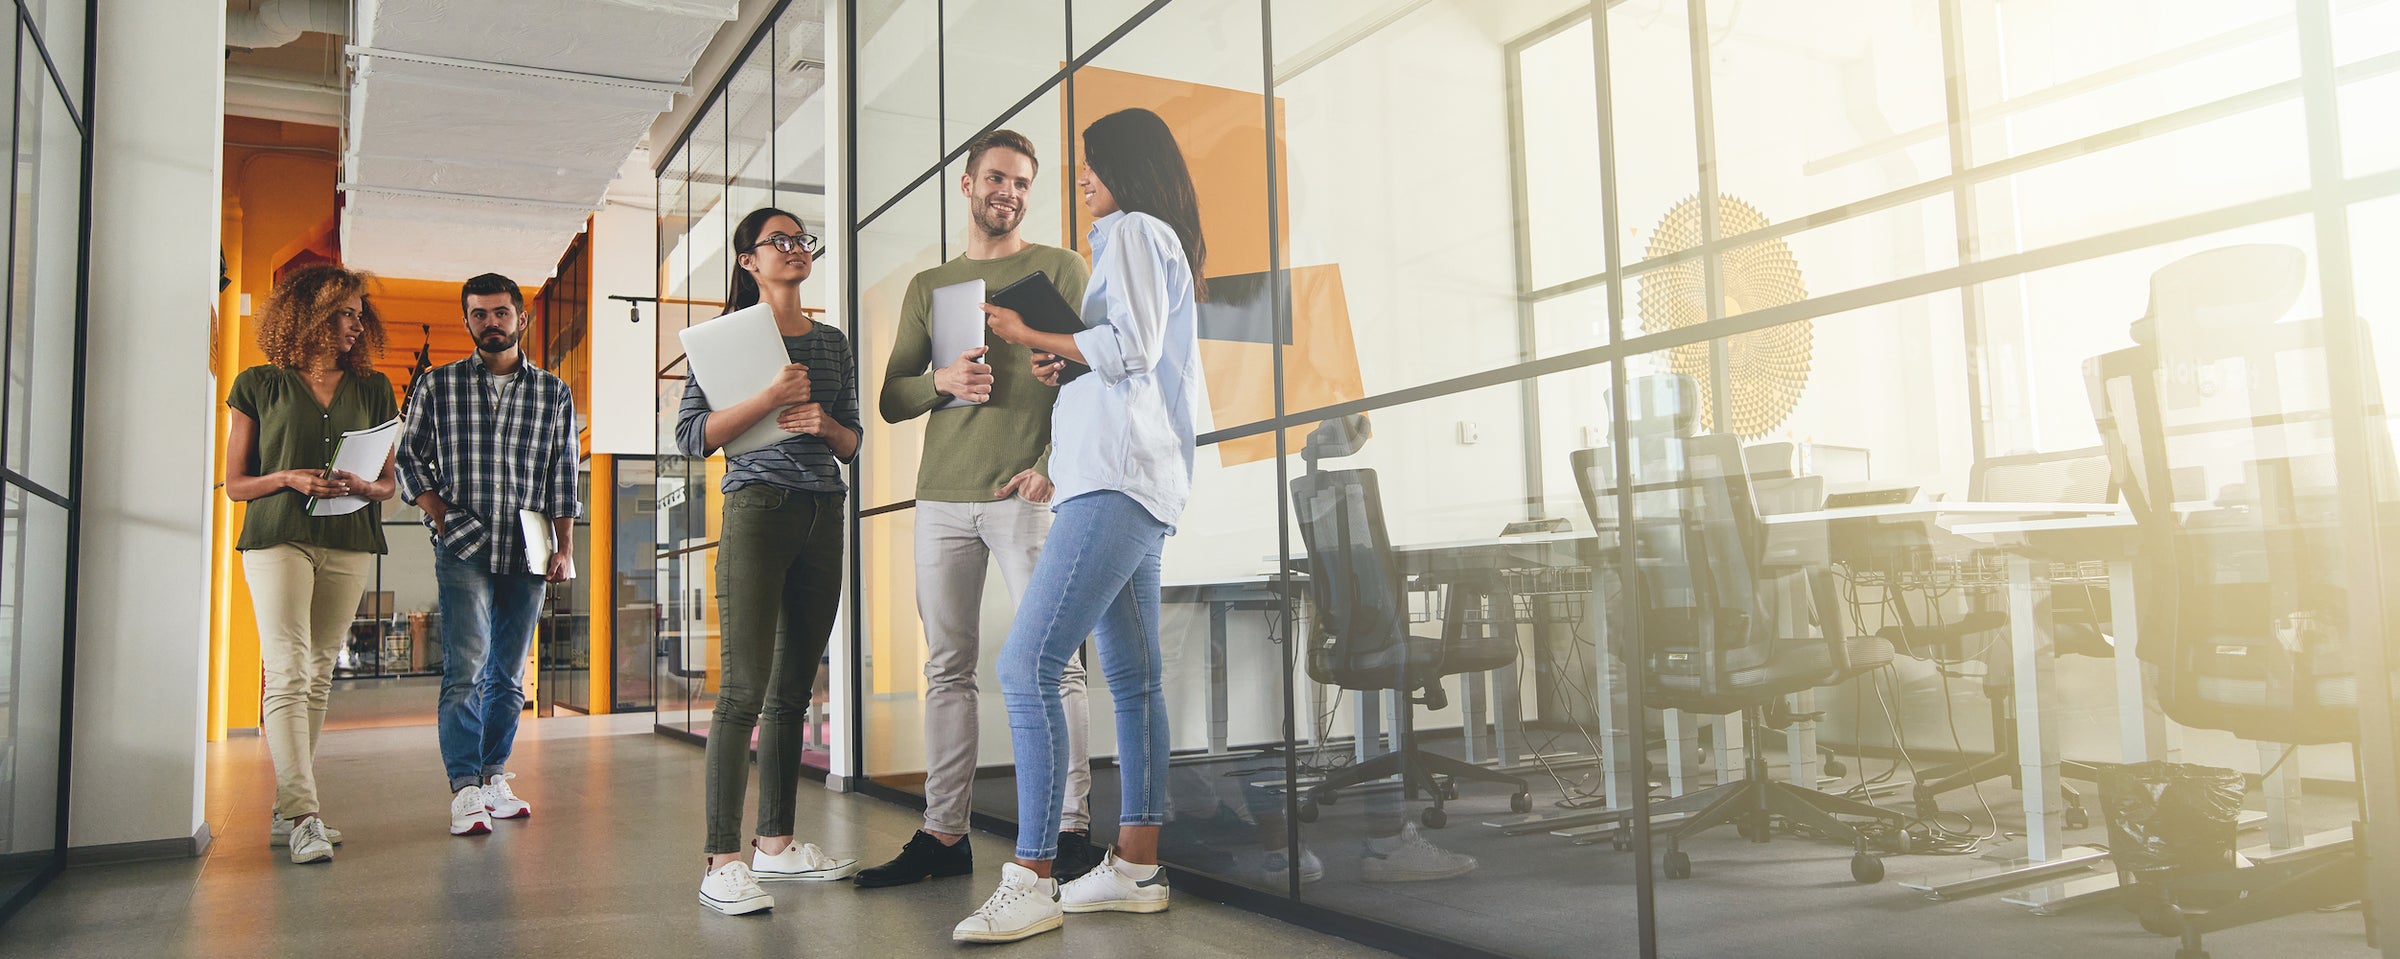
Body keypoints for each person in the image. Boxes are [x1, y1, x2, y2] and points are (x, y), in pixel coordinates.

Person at [953, 107, 1207, 943]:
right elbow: (1127, 357)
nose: (1082, 179)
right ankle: (1136, 864)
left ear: (1124, 167)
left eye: (1089, 165)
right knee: (1132, 679)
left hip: (1117, 482)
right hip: (1138, 476)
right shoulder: (1157, 239)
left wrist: (1028, 330)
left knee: (1027, 664)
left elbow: (1130, 346)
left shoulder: (1131, 229)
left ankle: (1030, 874)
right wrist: (1069, 354)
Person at [862, 129, 1103, 890]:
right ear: (967, 185)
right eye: (997, 177)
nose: (1011, 191)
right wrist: (941, 382)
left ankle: (1069, 830)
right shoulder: (932, 285)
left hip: (1023, 494)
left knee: (1056, 665)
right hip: (941, 496)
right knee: (947, 669)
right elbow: (892, 399)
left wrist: (1047, 469)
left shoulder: (1060, 265)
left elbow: (1096, 374)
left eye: (1024, 182)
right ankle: (943, 834)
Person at [677, 208, 865, 916]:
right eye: (778, 241)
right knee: (743, 689)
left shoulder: (833, 343)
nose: (795, 249)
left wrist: (826, 423)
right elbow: (692, 436)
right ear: (749, 260)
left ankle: (776, 846)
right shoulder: (723, 342)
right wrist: (770, 397)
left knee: (794, 691)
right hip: (757, 509)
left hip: (823, 513)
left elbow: (852, 442)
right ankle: (722, 857)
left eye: (800, 240)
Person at [224, 264, 399, 865]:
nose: (355, 324)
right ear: (309, 313)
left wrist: (366, 484)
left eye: (358, 314)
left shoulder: (375, 389)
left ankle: (287, 811)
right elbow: (236, 485)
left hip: (350, 536)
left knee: (320, 670)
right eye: (344, 312)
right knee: (290, 666)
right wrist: (286, 477)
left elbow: (389, 485)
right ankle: (304, 815)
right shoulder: (257, 384)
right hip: (278, 535)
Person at [395, 272, 580, 838]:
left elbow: (562, 475)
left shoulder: (552, 392)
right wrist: (442, 515)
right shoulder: (438, 386)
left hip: (529, 547)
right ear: (467, 320)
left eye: (501, 313)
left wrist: (564, 547)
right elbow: (409, 461)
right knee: (466, 669)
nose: (491, 323)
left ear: (520, 318)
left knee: (509, 674)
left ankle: (494, 775)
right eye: (479, 314)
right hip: (464, 548)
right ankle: (464, 788)